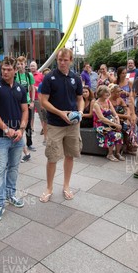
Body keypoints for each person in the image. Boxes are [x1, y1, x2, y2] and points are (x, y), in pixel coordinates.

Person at [0, 56, 28, 222]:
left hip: (18, 136)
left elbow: (25, 110)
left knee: (14, 168)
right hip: (1, 137)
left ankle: (11, 195)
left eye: (9, 69)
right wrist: (6, 129)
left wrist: (21, 129)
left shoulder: (20, 88)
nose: (5, 72)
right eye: (3, 69)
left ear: (15, 70)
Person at [39, 48, 84, 202]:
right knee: (52, 157)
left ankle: (66, 185)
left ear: (71, 61)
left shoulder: (75, 78)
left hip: (72, 123)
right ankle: (49, 187)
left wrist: (81, 111)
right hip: (55, 124)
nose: (62, 63)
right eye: (59, 60)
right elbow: (43, 101)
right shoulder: (49, 77)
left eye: (65, 60)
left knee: (70, 155)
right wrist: (60, 113)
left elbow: (80, 98)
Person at [93, 85, 124, 161]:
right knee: (111, 134)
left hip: (111, 123)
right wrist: (114, 124)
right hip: (100, 125)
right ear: (101, 93)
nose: (108, 94)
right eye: (105, 92)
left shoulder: (108, 101)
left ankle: (117, 153)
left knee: (120, 133)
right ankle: (110, 154)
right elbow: (102, 118)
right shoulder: (96, 104)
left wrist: (118, 123)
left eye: (108, 92)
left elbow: (115, 114)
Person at [14, 56, 36, 162]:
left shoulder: (29, 75)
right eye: (18, 63)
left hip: (27, 103)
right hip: (17, 104)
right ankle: (24, 151)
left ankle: (28, 145)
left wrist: (32, 101)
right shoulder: (15, 75)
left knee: (27, 125)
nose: (20, 65)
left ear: (25, 64)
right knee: (19, 125)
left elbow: (32, 88)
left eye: (21, 63)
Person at [30, 60, 45, 136]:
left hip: (38, 98)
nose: (32, 67)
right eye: (31, 66)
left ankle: (44, 129)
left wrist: (36, 88)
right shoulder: (27, 75)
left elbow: (44, 86)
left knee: (41, 115)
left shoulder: (40, 75)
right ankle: (31, 129)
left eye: (33, 66)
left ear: (36, 67)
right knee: (30, 115)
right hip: (29, 99)